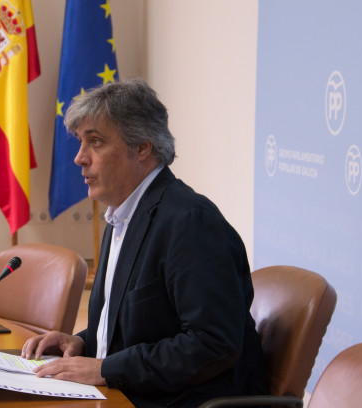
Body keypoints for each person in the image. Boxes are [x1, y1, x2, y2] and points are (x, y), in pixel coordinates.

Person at [22, 78, 267, 407]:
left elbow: (212, 343)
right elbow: (138, 329)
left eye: (94, 142)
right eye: (81, 143)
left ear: (141, 148)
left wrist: (106, 368)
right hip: (128, 392)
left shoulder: (190, 223)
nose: (80, 158)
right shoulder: (122, 215)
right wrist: (83, 343)